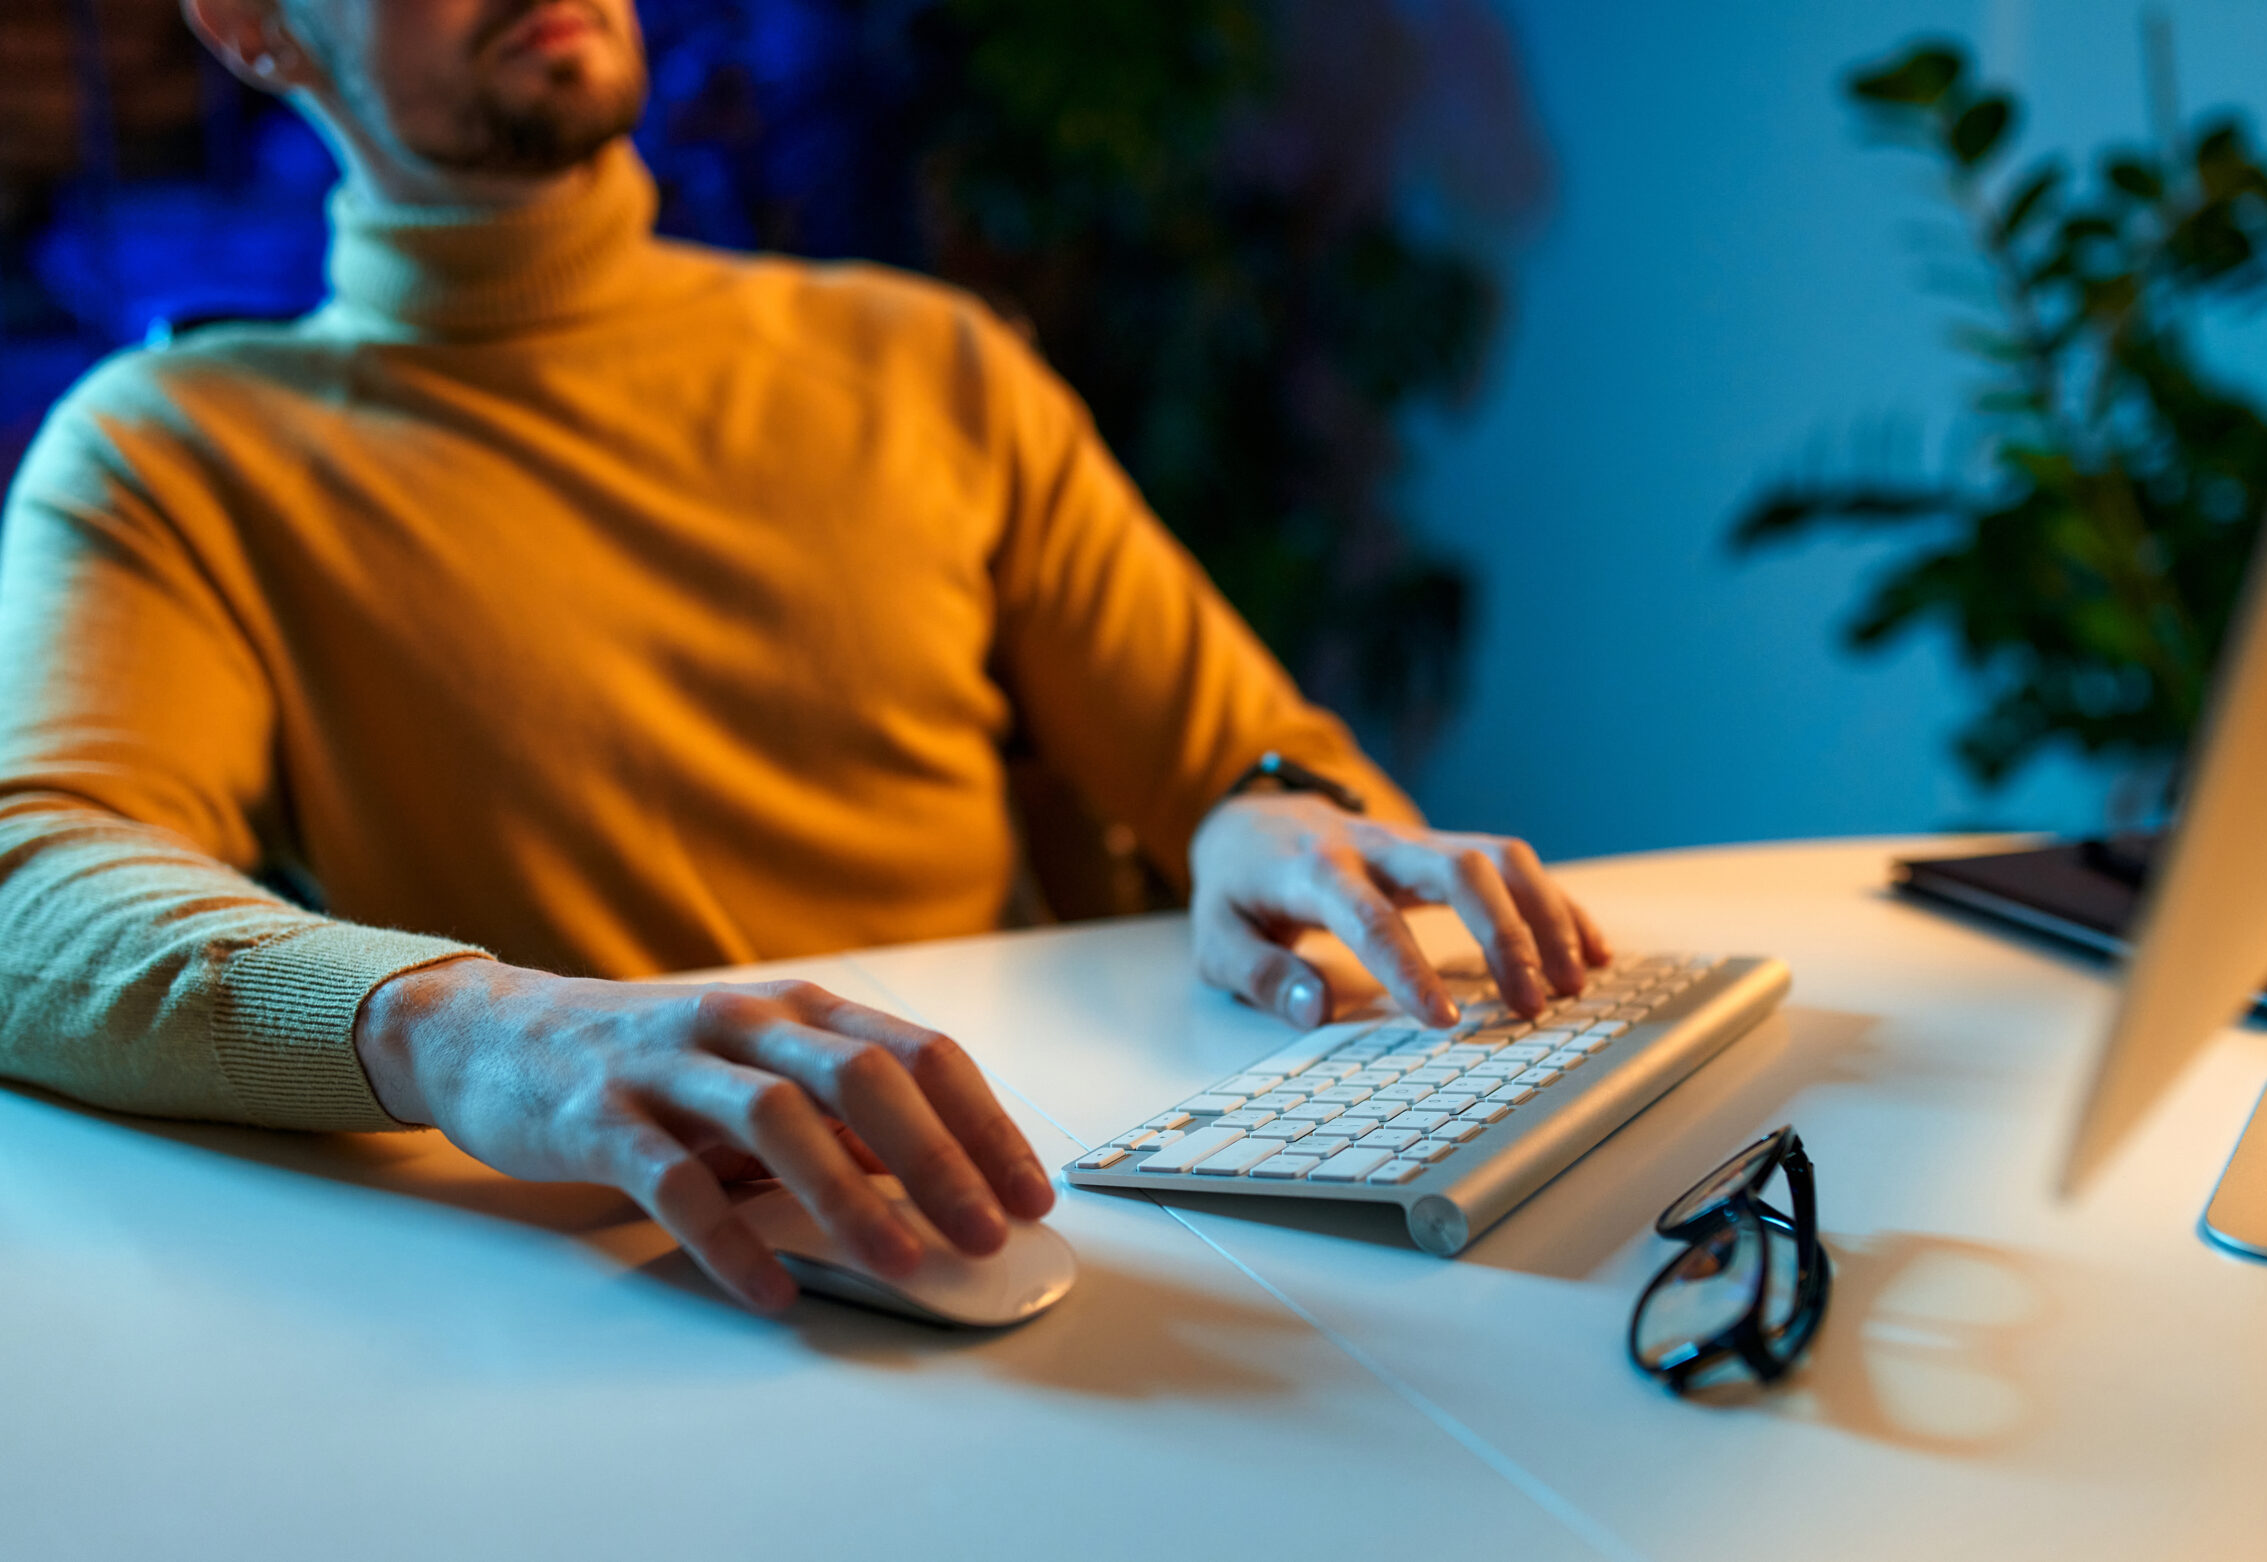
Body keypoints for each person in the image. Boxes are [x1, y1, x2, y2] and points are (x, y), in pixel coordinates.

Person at [0, 0, 1606, 1313]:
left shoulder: (927, 361)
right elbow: (28, 876)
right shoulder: (173, 455)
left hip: (1081, 1241)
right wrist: (486, 1031)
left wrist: (1262, 805)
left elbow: (1254, 753)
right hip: (646, 1305)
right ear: (250, 27)